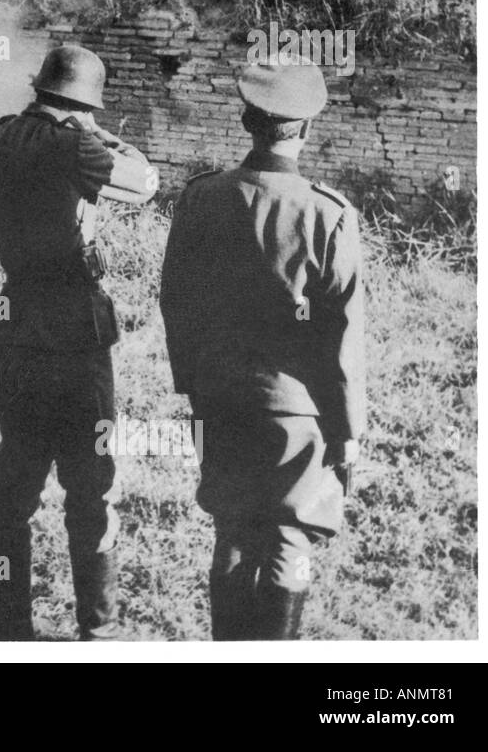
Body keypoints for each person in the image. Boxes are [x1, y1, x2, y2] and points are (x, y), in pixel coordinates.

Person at [159, 58, 365, 640]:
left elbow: (176, 300)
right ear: (306, 129)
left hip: (219, 398)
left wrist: (195, 385)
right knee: (289, 538)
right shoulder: (327, 213)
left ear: (246, 118)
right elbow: (342, 333)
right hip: (297, 414)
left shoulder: (200, 199)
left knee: (232, 527)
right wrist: (347, 430)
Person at [0, 44, 158, 640]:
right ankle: (99, 629)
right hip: (76, 330)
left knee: (15, 482)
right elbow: (145, 184)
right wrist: (102, 134)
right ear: (84, 104)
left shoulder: (0, 135)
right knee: (90, 483)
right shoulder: (79, 145)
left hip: (19, 320)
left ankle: (11, 626)